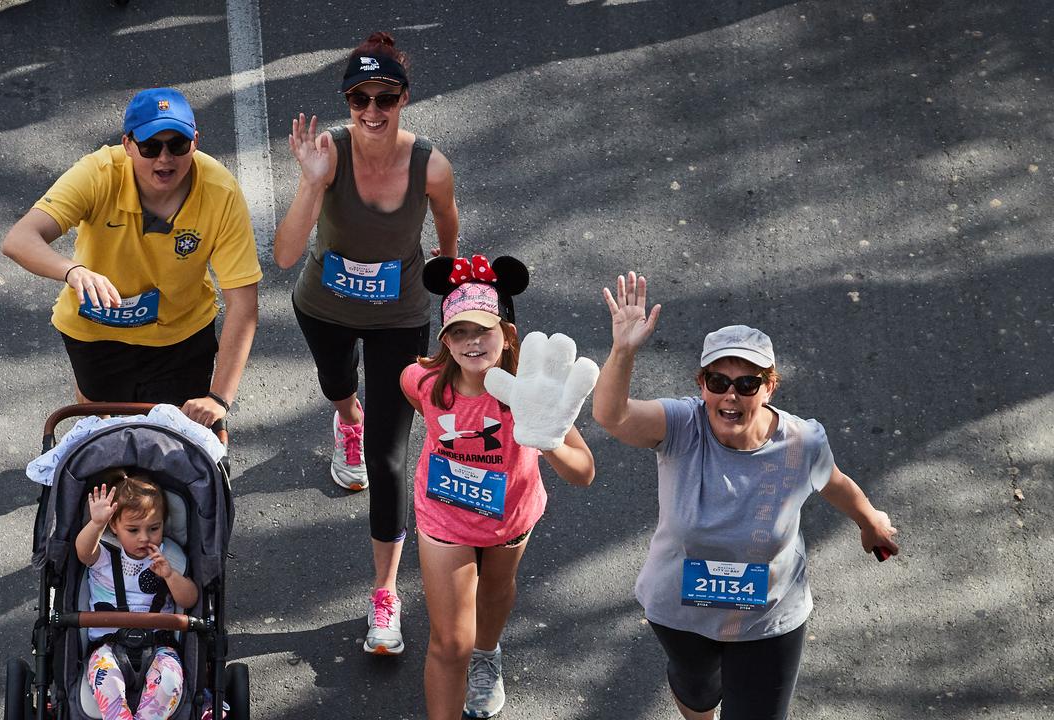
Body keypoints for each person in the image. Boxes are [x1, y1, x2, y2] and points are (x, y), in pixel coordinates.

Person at [591, 272, 901, 720]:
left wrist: (870, 521)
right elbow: (611, 415)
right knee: (697, 691)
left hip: (768, 619)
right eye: (717, 382)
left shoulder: (802, 442)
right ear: (702, 386)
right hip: (680, 609)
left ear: (769, 387)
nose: (730, 395)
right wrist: (623, 350)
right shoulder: (681, 425)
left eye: (747, 384)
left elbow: (833, 481)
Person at [272, 31, 459, 654]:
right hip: (323, 307)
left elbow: (447, 221)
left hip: (398, 319)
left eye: (386, 97)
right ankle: (344, 414)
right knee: (337, 387)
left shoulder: (430, 164)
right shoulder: (330, 153)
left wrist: (452, 276)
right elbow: (284, 255)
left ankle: (384, 594)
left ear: (405, 97)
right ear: (348, 101)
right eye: (360, 98)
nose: (373, 111)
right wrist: (311, 182)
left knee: (386, 460)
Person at [402, 255, 597, 719]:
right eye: (459, 332)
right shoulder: (421, 382)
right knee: (450, 644)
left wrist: (548, 439)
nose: (472, 343)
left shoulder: (533, 391)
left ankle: (487, 657)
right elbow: (423, 410)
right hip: (443, 517)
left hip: (510, 517)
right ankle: (468, 661)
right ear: (445, 340)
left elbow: (583, 472)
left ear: (506, 334)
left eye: (482, 330)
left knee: (495, 588)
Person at [2, 87, 261, 426]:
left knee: (174, 442)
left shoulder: (221, 192)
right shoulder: (97, 174)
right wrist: (74, 271)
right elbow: (19, 239)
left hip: (180, 336)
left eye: (177, 145)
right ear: (127, 145)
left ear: (195, 141)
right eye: (151, 146)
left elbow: (243, 301)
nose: (164, 158)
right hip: (96, 332)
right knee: (104, 432)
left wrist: (219, 397)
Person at [76, 470, 198, 720]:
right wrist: (96, 523)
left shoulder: (170, 557)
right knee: (106, 681)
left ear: (164, 523)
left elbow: (189, 600)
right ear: (114, 527)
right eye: (133, 530)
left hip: (160, 644)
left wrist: (171, 576)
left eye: (154, 528)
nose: (144, 537)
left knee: (169, 682)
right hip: (107, 644)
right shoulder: (104, 554)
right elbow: (83, 553)